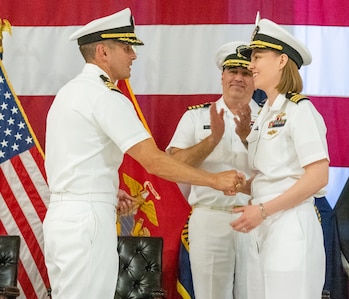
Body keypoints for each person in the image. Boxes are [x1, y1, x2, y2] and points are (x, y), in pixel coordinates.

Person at [43, 8, 244, 299]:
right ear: (103, 52)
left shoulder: (68, 92)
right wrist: (215, 181)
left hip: (64, 216)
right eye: (126, 48)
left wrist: (108, 192)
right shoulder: (104, 95)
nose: (133, 55)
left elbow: (73, 159)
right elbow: (153, 160)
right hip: (87, 220)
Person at [230, 18, 330, 298]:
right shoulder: (266, 113)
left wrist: (263, 210)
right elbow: (276, 175)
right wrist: (245, 186)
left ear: (282, 60)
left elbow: (318, 177)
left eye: (258, 56)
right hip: (264, 223)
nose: (251, 65)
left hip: (289, 224)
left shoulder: (300, 111)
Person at [166, 41, 259, 299]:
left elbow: (278, 169)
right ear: (222, 76)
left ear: (255, 78)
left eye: (246, 72)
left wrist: (246, 136)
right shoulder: (196, 117)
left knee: (257, 293)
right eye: (233, 71)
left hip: (257, 218)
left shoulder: (268, 118)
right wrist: (212, 140)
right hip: (210, 217)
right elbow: (174, 167)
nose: (238, 78)